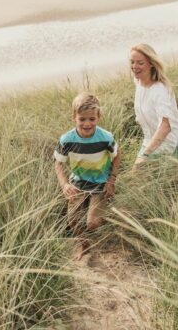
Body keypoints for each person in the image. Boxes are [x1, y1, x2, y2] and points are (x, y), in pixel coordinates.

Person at [54, 92, 120, 259]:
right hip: (77, 184)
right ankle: (84, 244)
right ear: (74, 117)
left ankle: (106, 214)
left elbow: (117, 155)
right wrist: (64, 185)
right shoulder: (66, 140)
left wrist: (111, 180)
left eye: (92, 119)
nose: (87, 123)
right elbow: (58, 164)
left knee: (93, 223)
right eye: (82, 119)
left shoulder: (106, 138)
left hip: (100, 185)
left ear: (99, 117)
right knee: (73, 220)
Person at [130, 44, 178, 169]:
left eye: (140, 63)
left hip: (173, 147)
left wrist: (144, 155)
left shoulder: (160, 90)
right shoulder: (138, 82)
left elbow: (166, 126)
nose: (134, 67)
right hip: (150, 142)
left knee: (169, 187)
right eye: (132, 62)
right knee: (135, 176)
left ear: (151, 63)